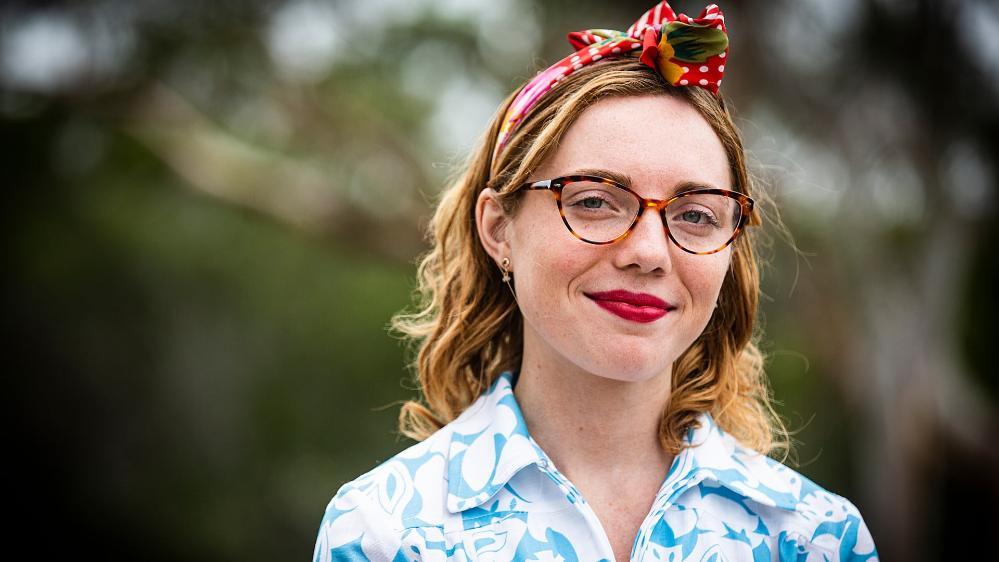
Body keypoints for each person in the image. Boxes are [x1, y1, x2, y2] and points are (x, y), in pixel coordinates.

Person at [314, 2, 879, 560]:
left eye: (695, 214)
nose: (650, 253)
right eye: (594, 202)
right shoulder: (385, 531)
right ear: (498, 230)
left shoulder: (815, 538)